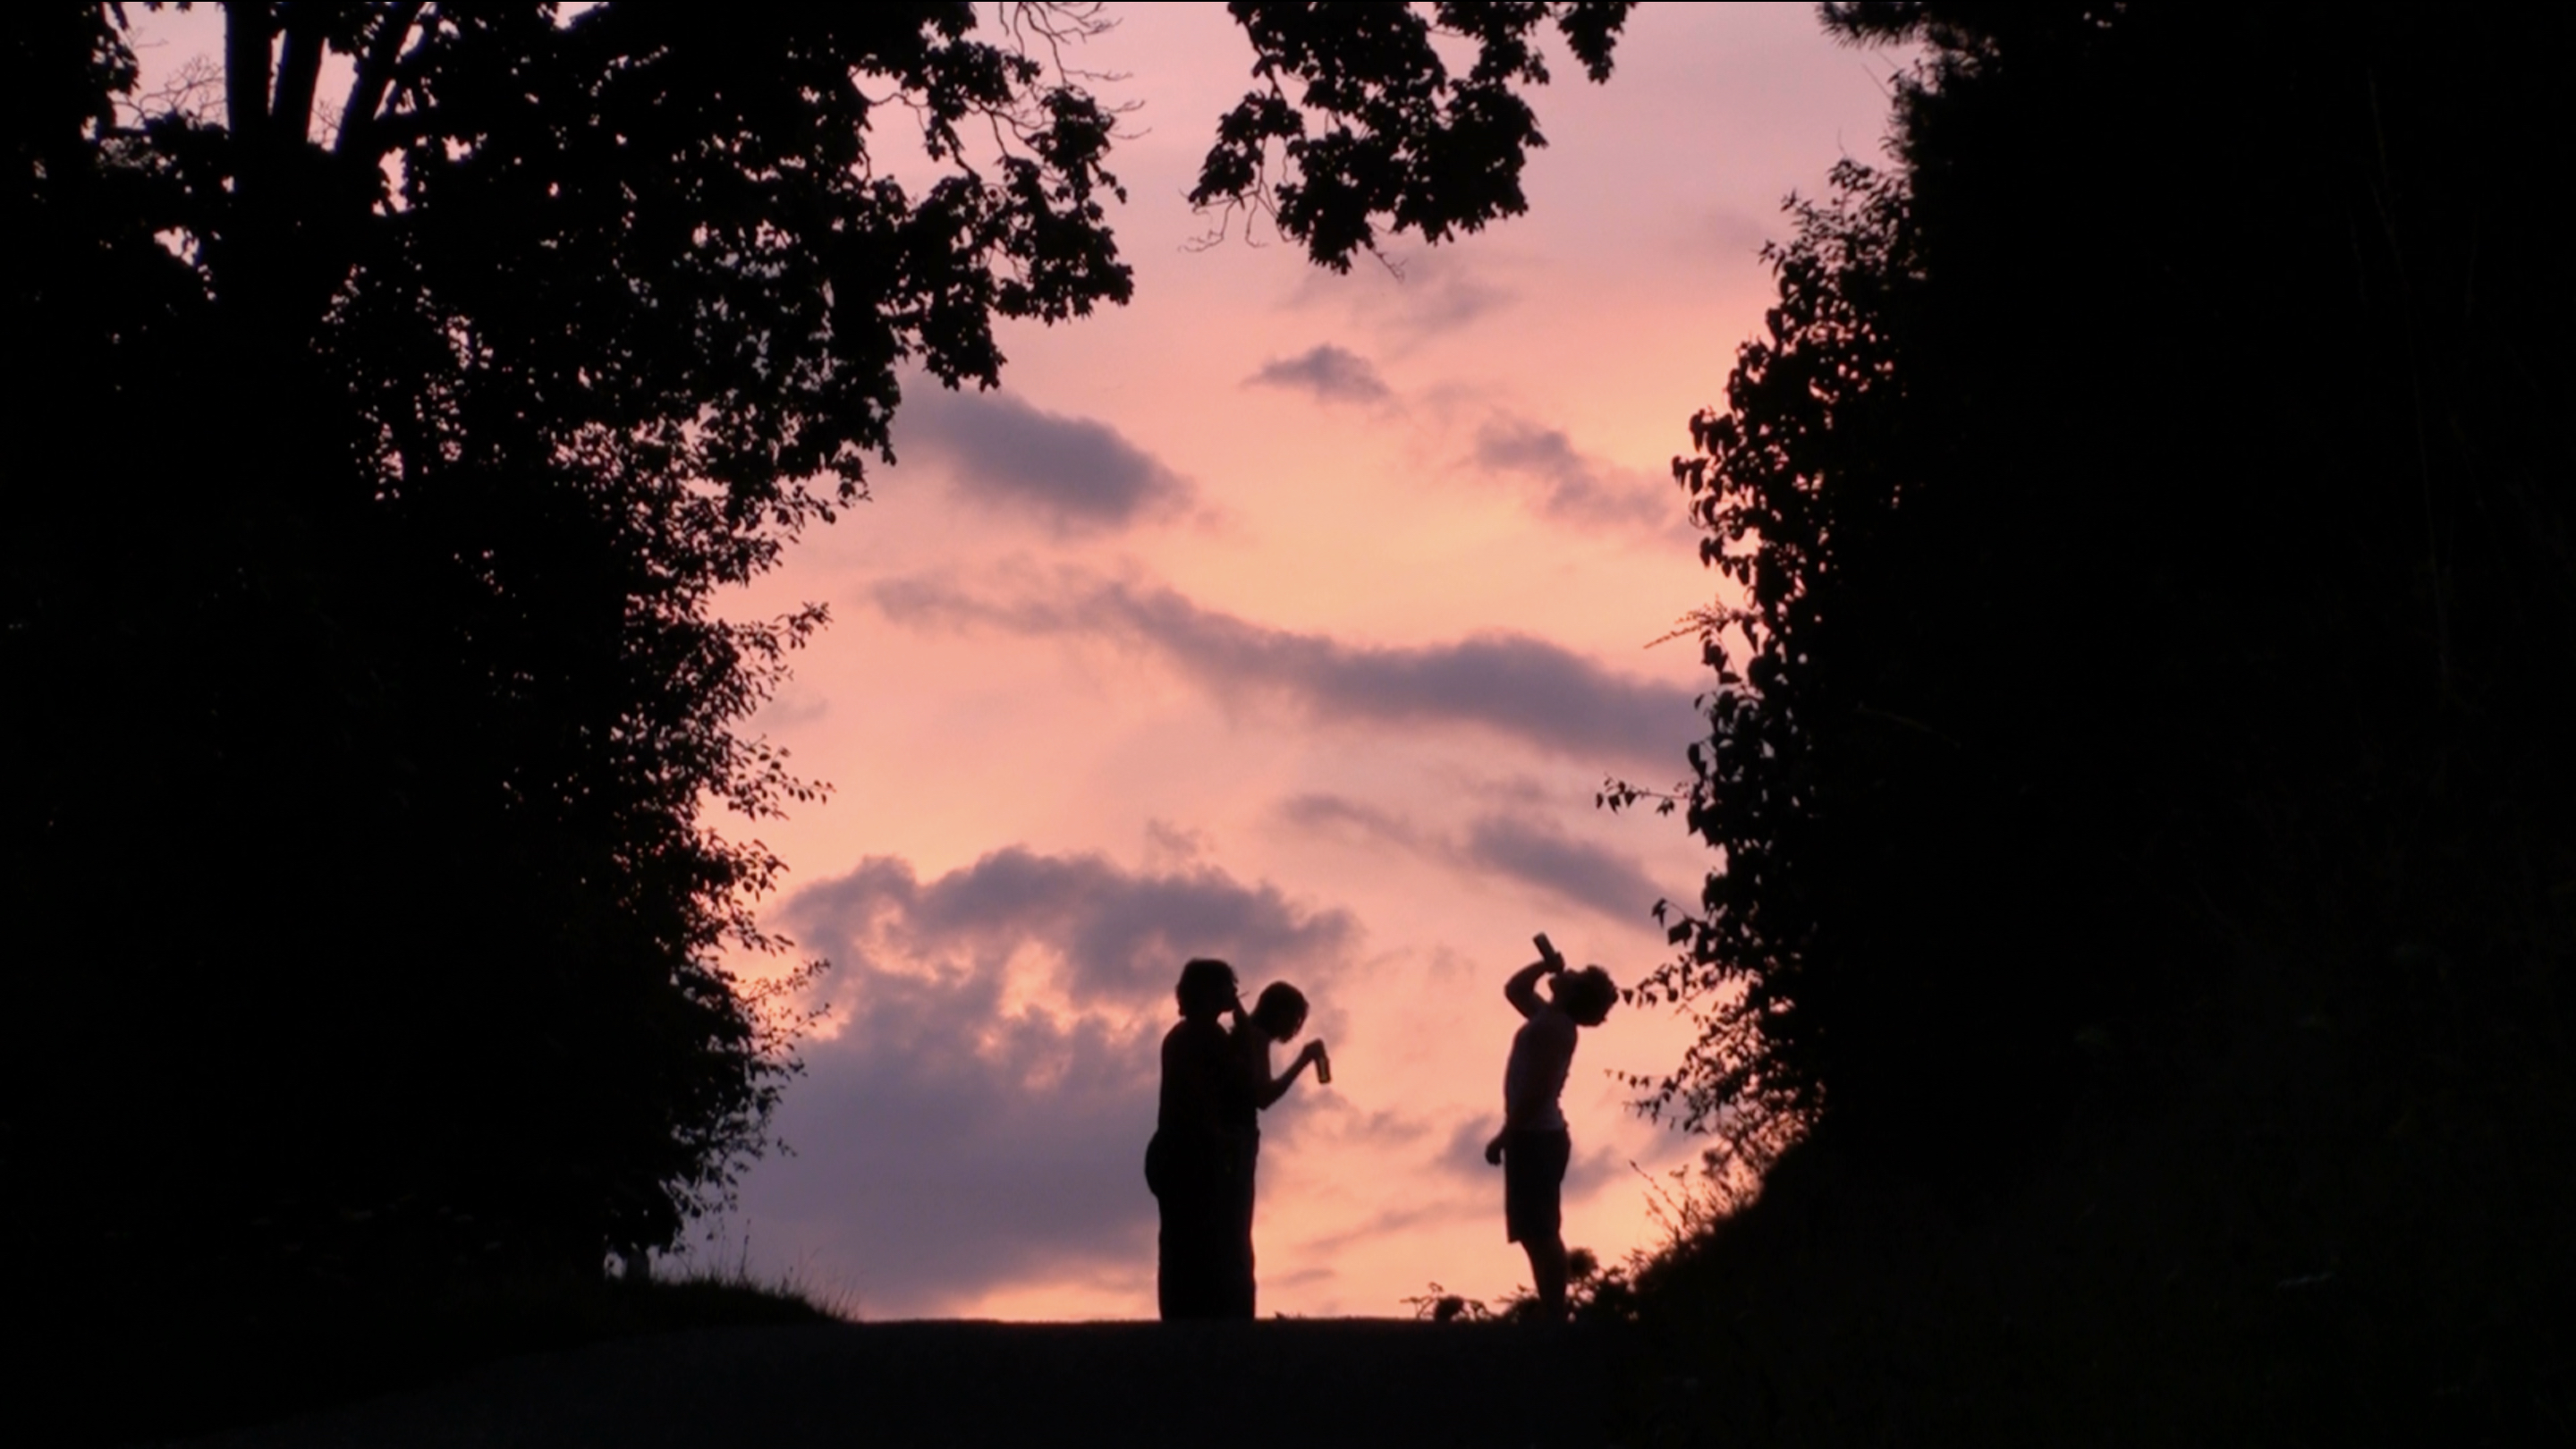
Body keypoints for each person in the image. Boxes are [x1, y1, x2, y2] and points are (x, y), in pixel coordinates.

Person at [1483, 943, 1615, 1320]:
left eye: (1575, 975)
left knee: (1540, 1230)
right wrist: (1545, 964)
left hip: (1537, 1137)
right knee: (1532, 1231)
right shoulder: (1548, 1018)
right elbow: (1515, 989)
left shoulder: (1556, 1028)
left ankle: (1555, 1315)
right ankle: (1551, 1312)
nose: (1567, 972)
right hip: (1533, 1135)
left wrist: (1505, 1135)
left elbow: (1538, 1091)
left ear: (1574, 993)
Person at [1221, 981, 1328, 1318]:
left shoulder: (1243, 1035)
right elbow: (1263, 1096)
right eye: (1293, 1019)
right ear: (1279, 1013)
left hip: (1228, 1140)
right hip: (1236, 1141)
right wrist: (1303, 1061)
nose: (1293, 1028)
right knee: (1237, 1230)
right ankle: (1239, 1311)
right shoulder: (1255, 1038)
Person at [1148, 958, 1241, 1320]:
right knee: (1204, 1240)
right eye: (1228, 986)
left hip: (1172, 1152)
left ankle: (1179, 1318)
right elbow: (1238, 1081)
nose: (1235, 992)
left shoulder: (1178, 1036)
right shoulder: (1208, 1036)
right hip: (1194, 1153)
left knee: (1177, 1241)